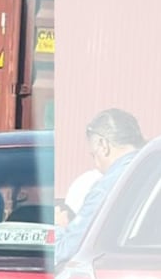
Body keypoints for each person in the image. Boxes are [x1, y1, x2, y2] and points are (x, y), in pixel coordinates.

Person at [55, 108, 146, 265]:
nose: (96, 165)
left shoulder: (107, 187)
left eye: (93, 155)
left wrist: (58, 228)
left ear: (103, 145)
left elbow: (66, 251)